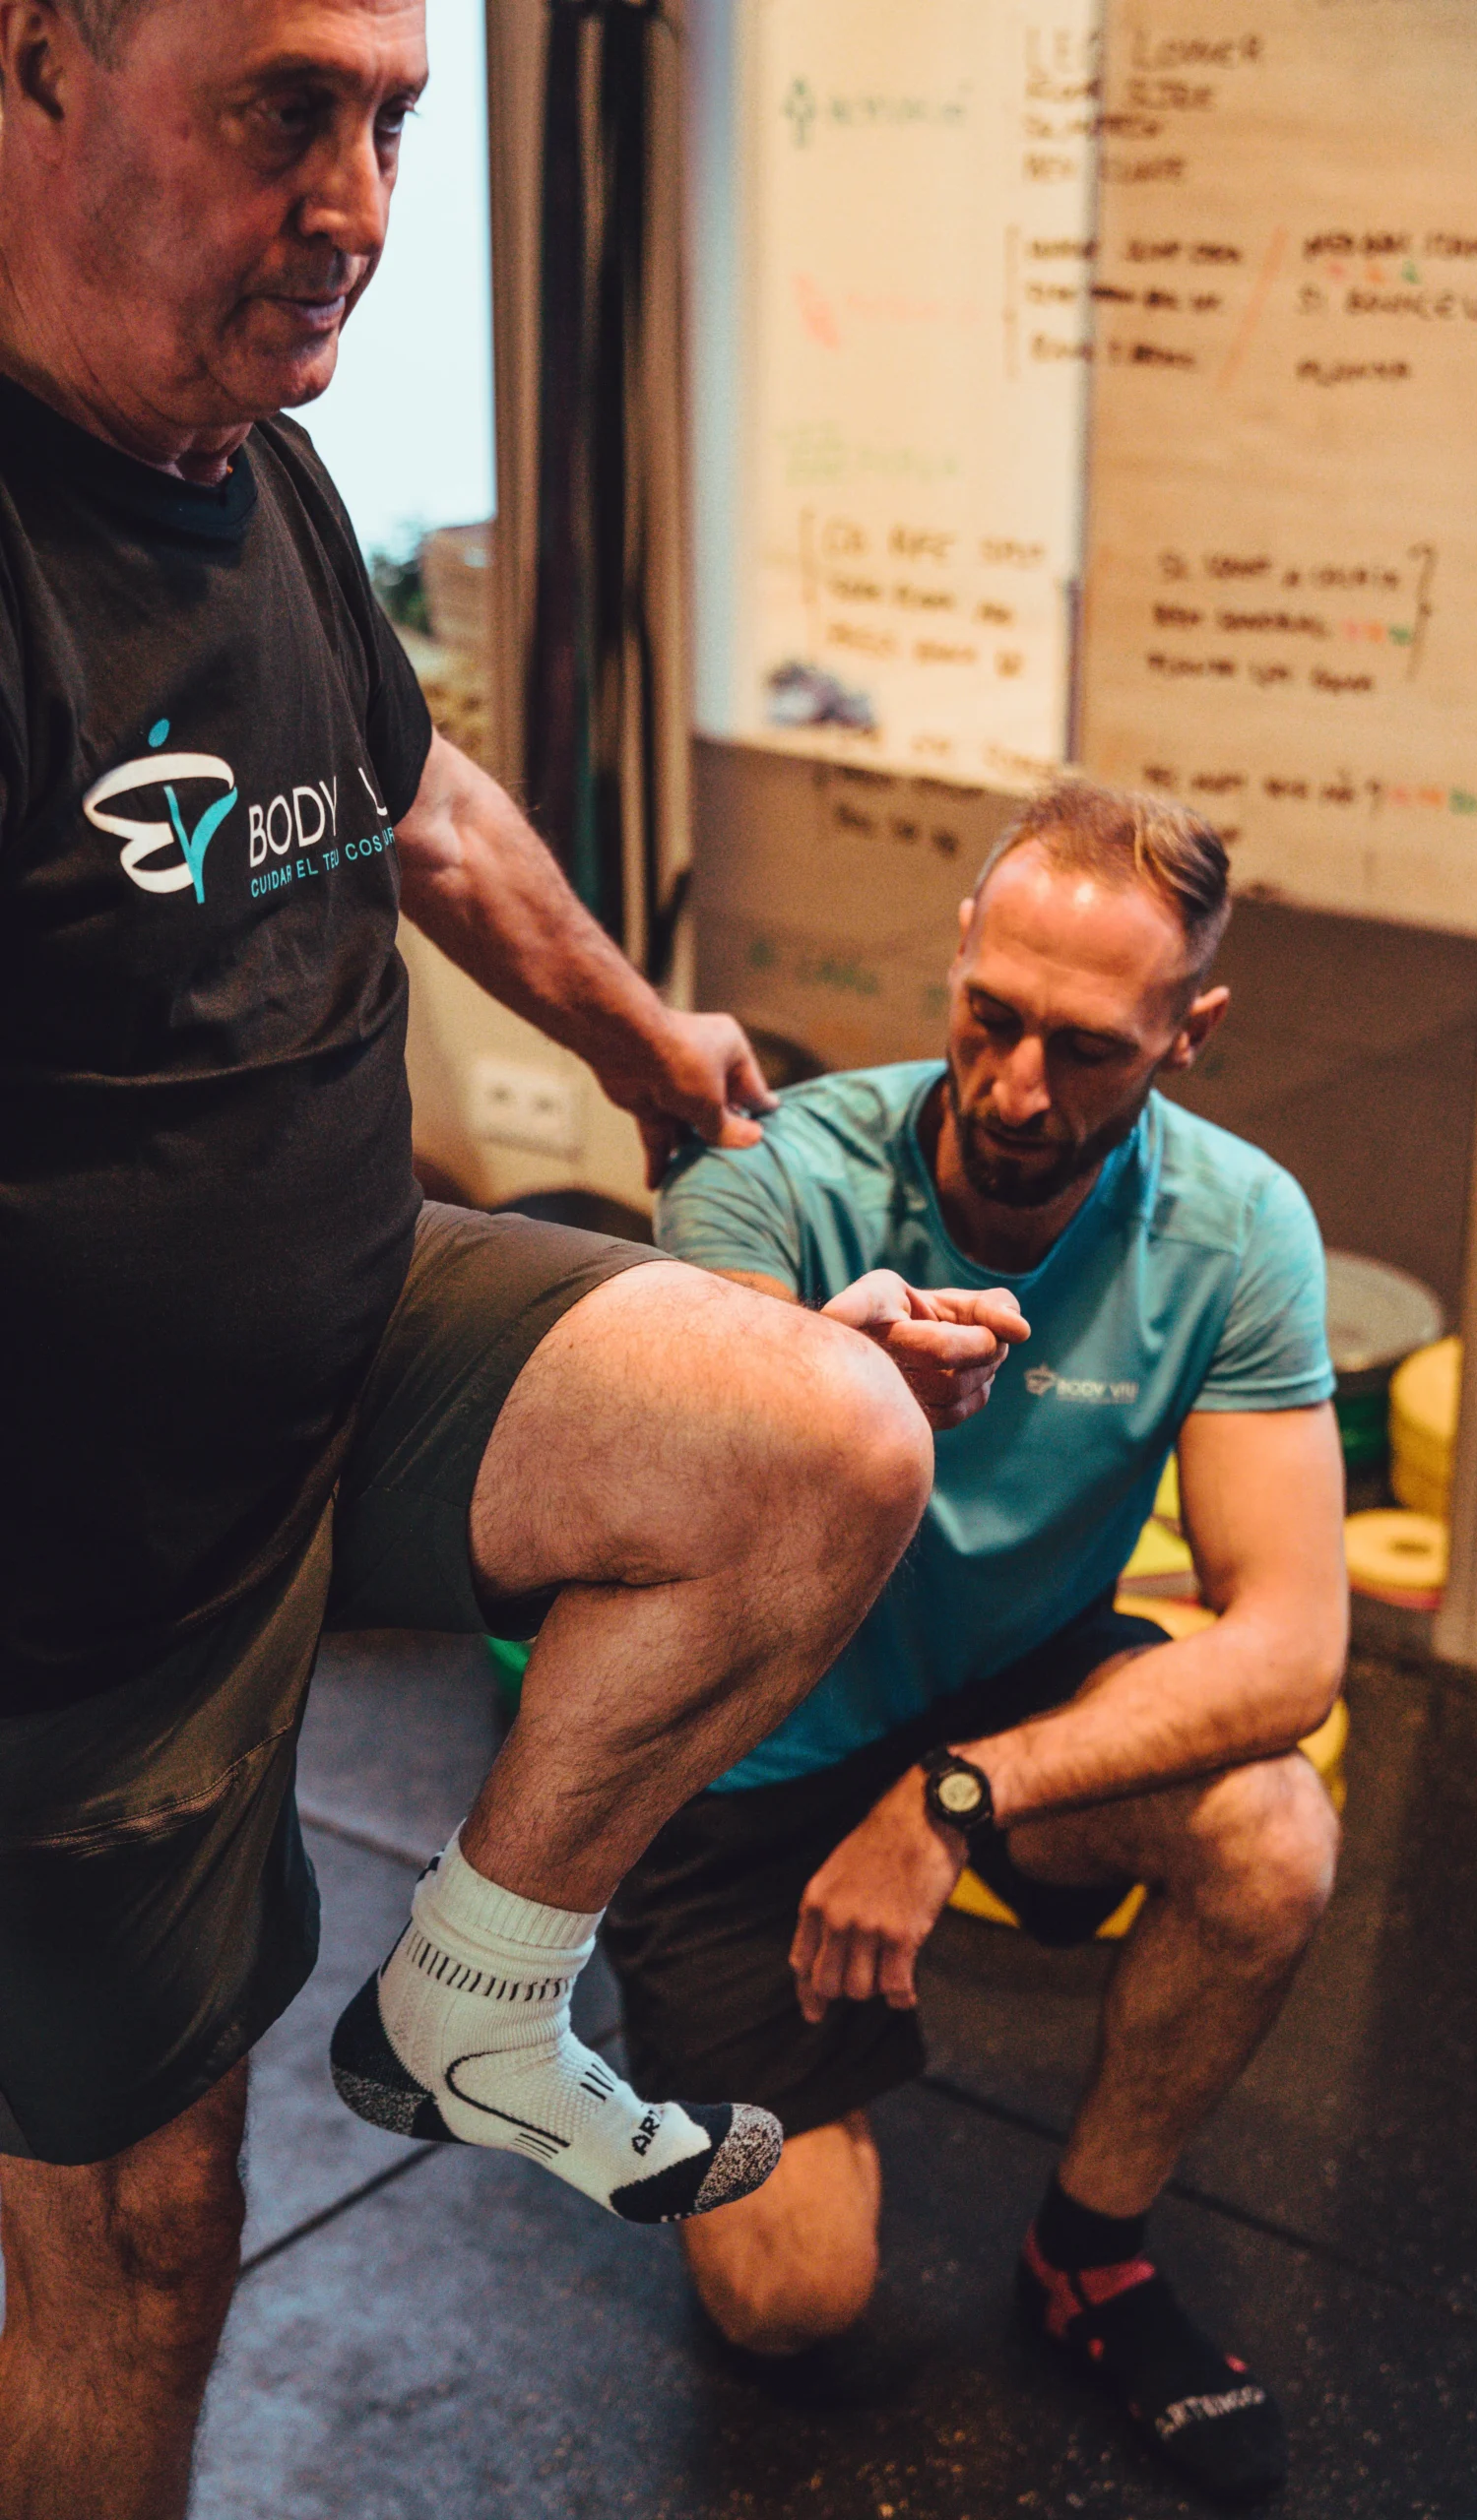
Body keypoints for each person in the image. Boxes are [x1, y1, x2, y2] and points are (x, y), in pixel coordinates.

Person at [0, 6, 945, 2515]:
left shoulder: (254, 466)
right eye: (282, 112)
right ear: (39, 68)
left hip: (355, 1334)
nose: (357, 208)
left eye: (395, 122)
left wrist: (648, 1044)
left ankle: (476, 2002)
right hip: (86, 1579)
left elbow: (411, 802)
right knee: (148, 2238)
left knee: (817, 1442)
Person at [609, 781, 1350, 2506]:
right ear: (957, 954)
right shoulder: (769, 1174)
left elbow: (1293, 1644)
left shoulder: (1239, 1227)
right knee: (792, 2303)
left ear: (1190, 1033)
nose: (1019, 1089)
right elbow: (693, 1501)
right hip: (743, 1742)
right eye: (991, 1018)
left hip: (993, 1699)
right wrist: (834, 1381)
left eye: (1088, 1050)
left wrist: (950, 1797)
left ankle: (1089, 2255)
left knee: (1273, 1834)